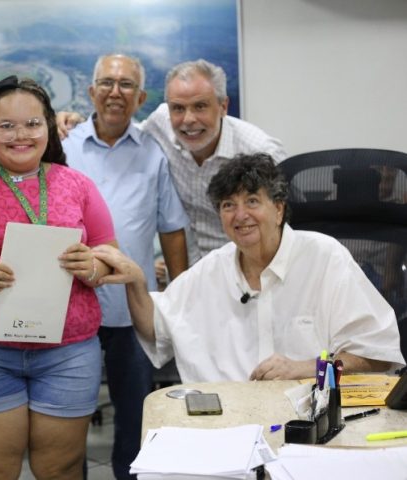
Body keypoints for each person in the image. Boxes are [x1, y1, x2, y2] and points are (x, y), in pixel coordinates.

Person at [0, 76, 116, 479]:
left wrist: (92, 266)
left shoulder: (78, 186)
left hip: (68, 352)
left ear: (49, 127)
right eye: (7, 126)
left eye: (32, 124)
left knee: (62, 469)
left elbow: (110, 258)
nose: (21, 135)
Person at [93, 153, 405, 383]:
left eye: (252, 201)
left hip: (309, 416)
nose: (240, 215)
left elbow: (376, 355)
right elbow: (157, 328)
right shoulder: (211, 269)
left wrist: (306, 368)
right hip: (230, 420)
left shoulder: (325, 258)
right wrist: (136, 281)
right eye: (228, 205)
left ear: (279, 209)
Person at [61, 53, 189, 480]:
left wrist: (177, 300)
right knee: (68, 415)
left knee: (135, 416)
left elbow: (171, 229)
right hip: (70, 306)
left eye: (126, 85)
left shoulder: (154, 154)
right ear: (91, 91)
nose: (115, 92)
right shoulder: (63, 147)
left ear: (141, 98)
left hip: (132, 309)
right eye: (107, 83)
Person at [59, 59, 287, 265]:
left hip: (246, 266)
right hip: (193, 273)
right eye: (178, 108)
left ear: (223, 107)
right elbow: (118, 130)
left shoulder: (261, 152)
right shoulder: (160, 125)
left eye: (200, 106)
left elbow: (283, 225)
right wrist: (76, 124)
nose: (188, 119)